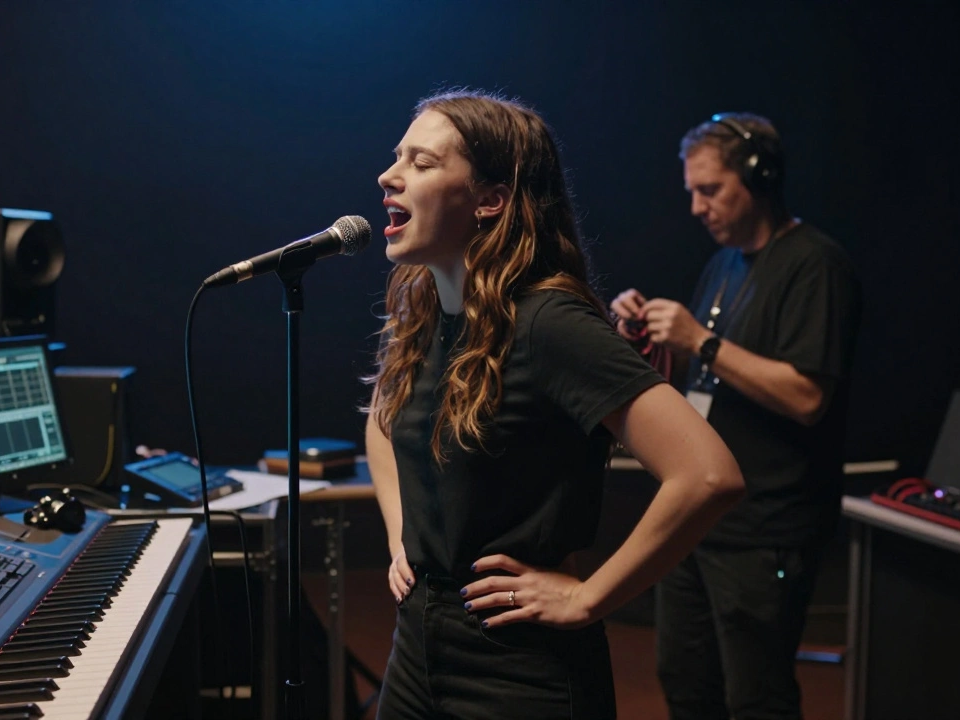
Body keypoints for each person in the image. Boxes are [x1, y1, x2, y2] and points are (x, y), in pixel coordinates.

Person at [365, 89, 745, 719]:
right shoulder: (426, 310)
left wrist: (590, 597)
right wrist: (400, 531)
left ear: (491, 200)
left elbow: (708, 474)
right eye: (398, 157)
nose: (389, 175)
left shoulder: (548, 322)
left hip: (517, 668)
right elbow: (383, 420)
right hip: (419, 648)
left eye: (423, 163)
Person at [610, 113, 862, 720]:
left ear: (761, 178)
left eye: (711, 190)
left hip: (765, 527)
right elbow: (709, 380)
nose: (697, 207)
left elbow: (806, 397)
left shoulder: (814, 263)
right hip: (699, 520)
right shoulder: (724, 263)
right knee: (686, 682)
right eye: (692, 191)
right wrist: (648, 334)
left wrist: (701, 341)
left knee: (757, 697)